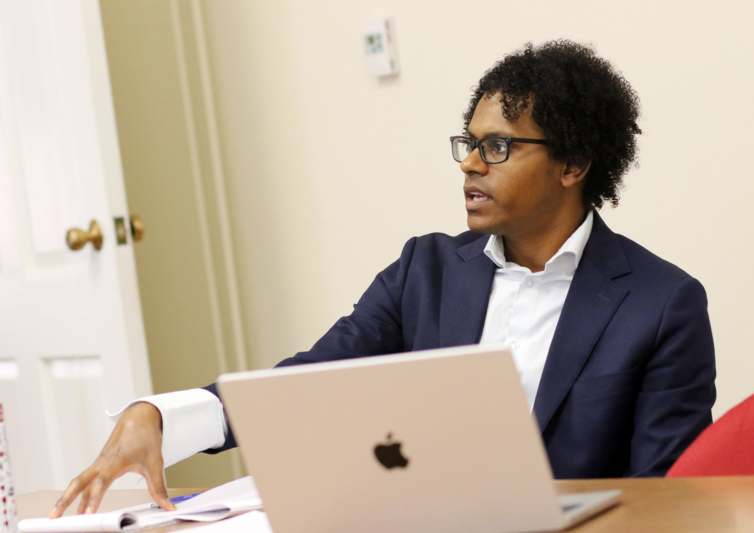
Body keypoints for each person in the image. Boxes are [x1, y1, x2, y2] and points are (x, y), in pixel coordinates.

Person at [51, 40, 716, 517]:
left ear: (572, 164)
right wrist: (162, 416)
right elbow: (308, 382)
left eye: (498, 147)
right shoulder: (421, 272)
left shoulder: (661, 304)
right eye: (469, 142)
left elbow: (661, 494)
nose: (471, 165)